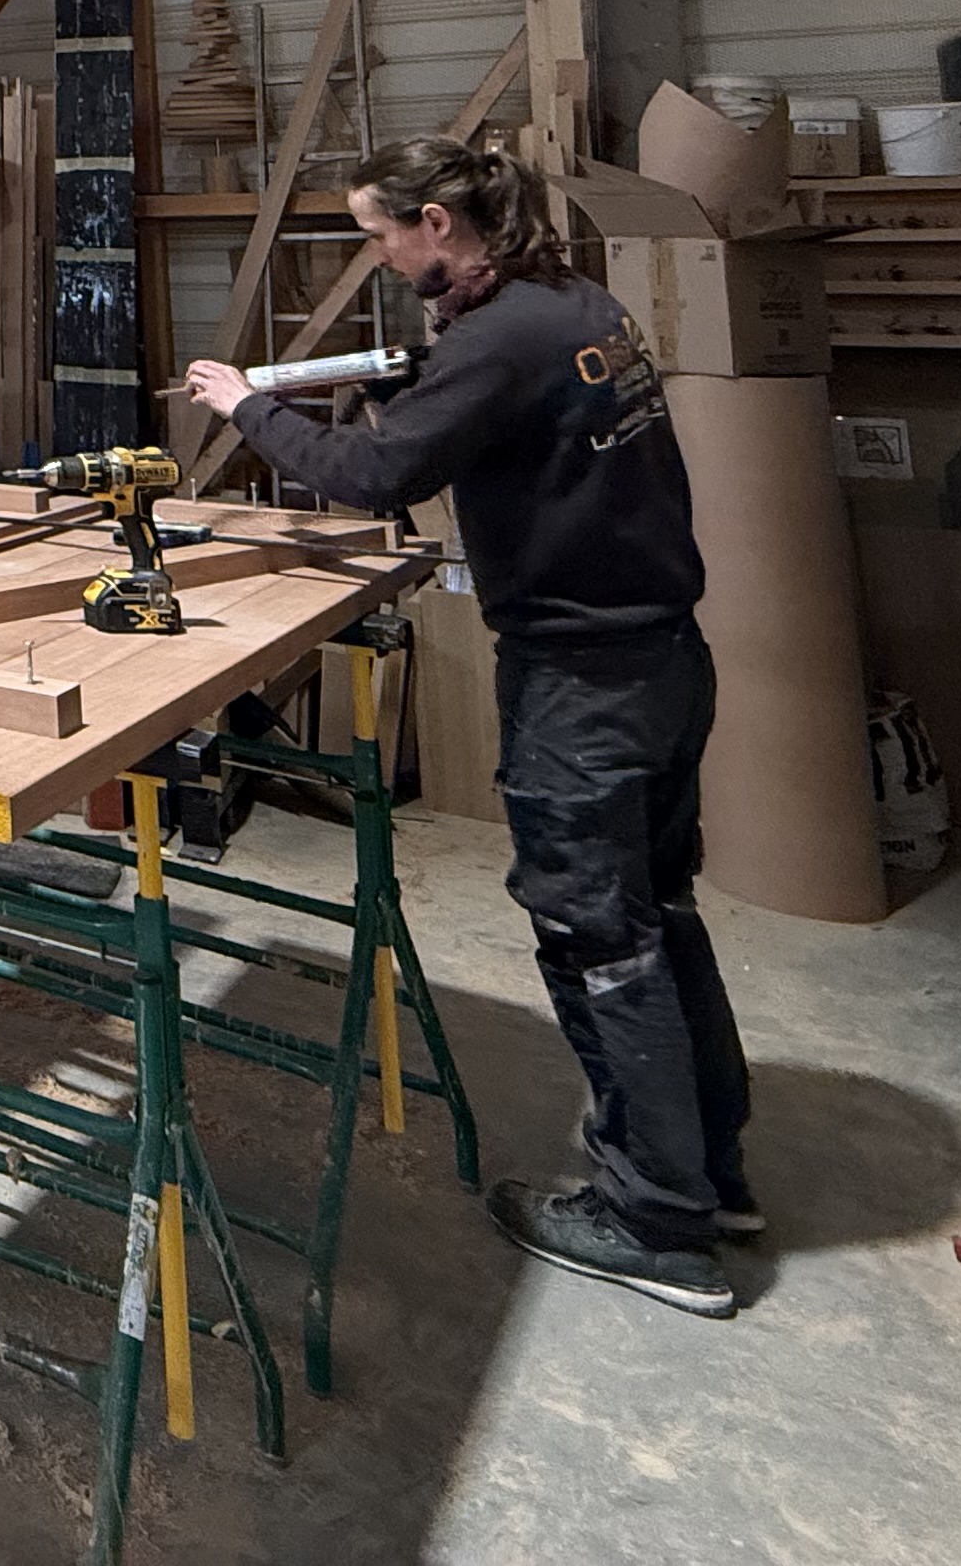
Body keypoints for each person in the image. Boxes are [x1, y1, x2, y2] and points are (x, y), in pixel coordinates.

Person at [180, 133, 754, 1321]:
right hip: (658, 658)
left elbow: (372, 478)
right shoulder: (566, 300)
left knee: (600, 937)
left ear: (438, 223)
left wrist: (246, 406)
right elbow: (493, 421)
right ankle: (710, 1169)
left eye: (382, 233)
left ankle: (655, 1215)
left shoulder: (498, 339)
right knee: (655, 916)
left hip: (584, 681)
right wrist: (413, 397)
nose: (380, 256)